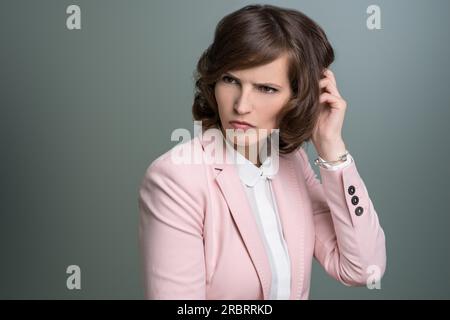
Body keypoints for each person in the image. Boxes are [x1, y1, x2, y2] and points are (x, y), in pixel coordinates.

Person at [138, 4, 386, 300]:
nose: (241, 106)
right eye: (230, 80)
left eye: (266, 88)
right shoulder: (176, 178)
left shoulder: (291, 164)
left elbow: (362, 268)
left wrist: (332, 149)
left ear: (299, 97)